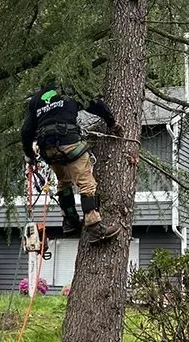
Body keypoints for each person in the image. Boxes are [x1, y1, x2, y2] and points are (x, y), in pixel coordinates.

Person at [21, 81, 123, 244]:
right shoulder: (69, 89)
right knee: (86, 183)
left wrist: (29, 154)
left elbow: (26, 130)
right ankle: (94, 227)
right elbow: (95, 104)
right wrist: (111, 122)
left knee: (64, 182)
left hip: (47, 149)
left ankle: (70, 221)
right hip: (68, 141)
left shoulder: (36, 100)